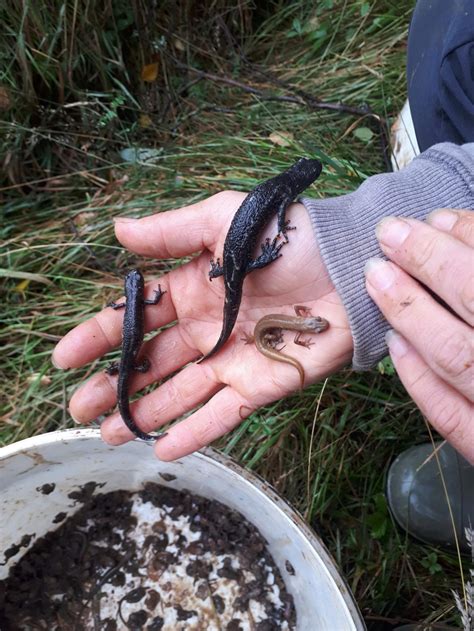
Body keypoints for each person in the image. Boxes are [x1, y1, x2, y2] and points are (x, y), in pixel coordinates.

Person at [52, 0, 473, 553]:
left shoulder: (283, 199)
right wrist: (317, 240)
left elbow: (282, 195)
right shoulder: (283, 201)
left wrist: (286, 249)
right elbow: (280, 199)